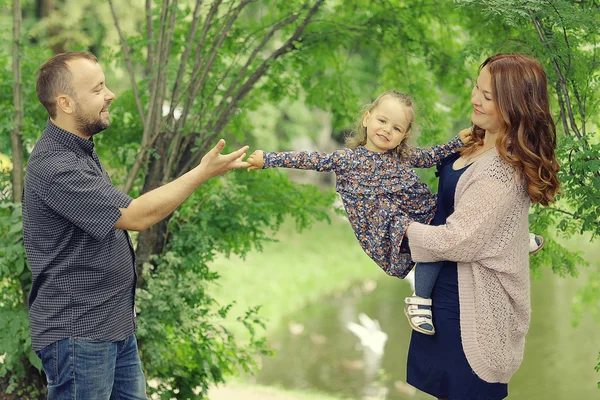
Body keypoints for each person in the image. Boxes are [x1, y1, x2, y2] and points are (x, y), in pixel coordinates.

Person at [22, 51, 249, 400]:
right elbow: (137, 216)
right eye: (98, 89)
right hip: (79, 334)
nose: (110, 94)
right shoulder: (55, 166)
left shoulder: (79, 150)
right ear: (65, 103)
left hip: (112, 326)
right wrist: (202, 172)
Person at [246, 90, 544, 336]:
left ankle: (510, 242)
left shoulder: (401, 154)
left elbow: (429, 157)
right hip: (394, 225)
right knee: (430, 248)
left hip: (424, 209)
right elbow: (308, 159)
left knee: (462, 223)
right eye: (382, 120)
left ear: (404, 136)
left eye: (397, 128)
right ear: (367, 118)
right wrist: (268, 159)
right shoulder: (347, 159)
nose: (387, 130)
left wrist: (457, 142)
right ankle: (420, 301)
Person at [404, 53, 561, 399]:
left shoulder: (501, 170)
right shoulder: (477, 144)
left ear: (515, 106)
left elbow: (460, 238)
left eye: (488, 96)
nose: (475, 98)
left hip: (470, 313)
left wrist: (400, 230)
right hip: (441, 296)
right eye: (477, 87)